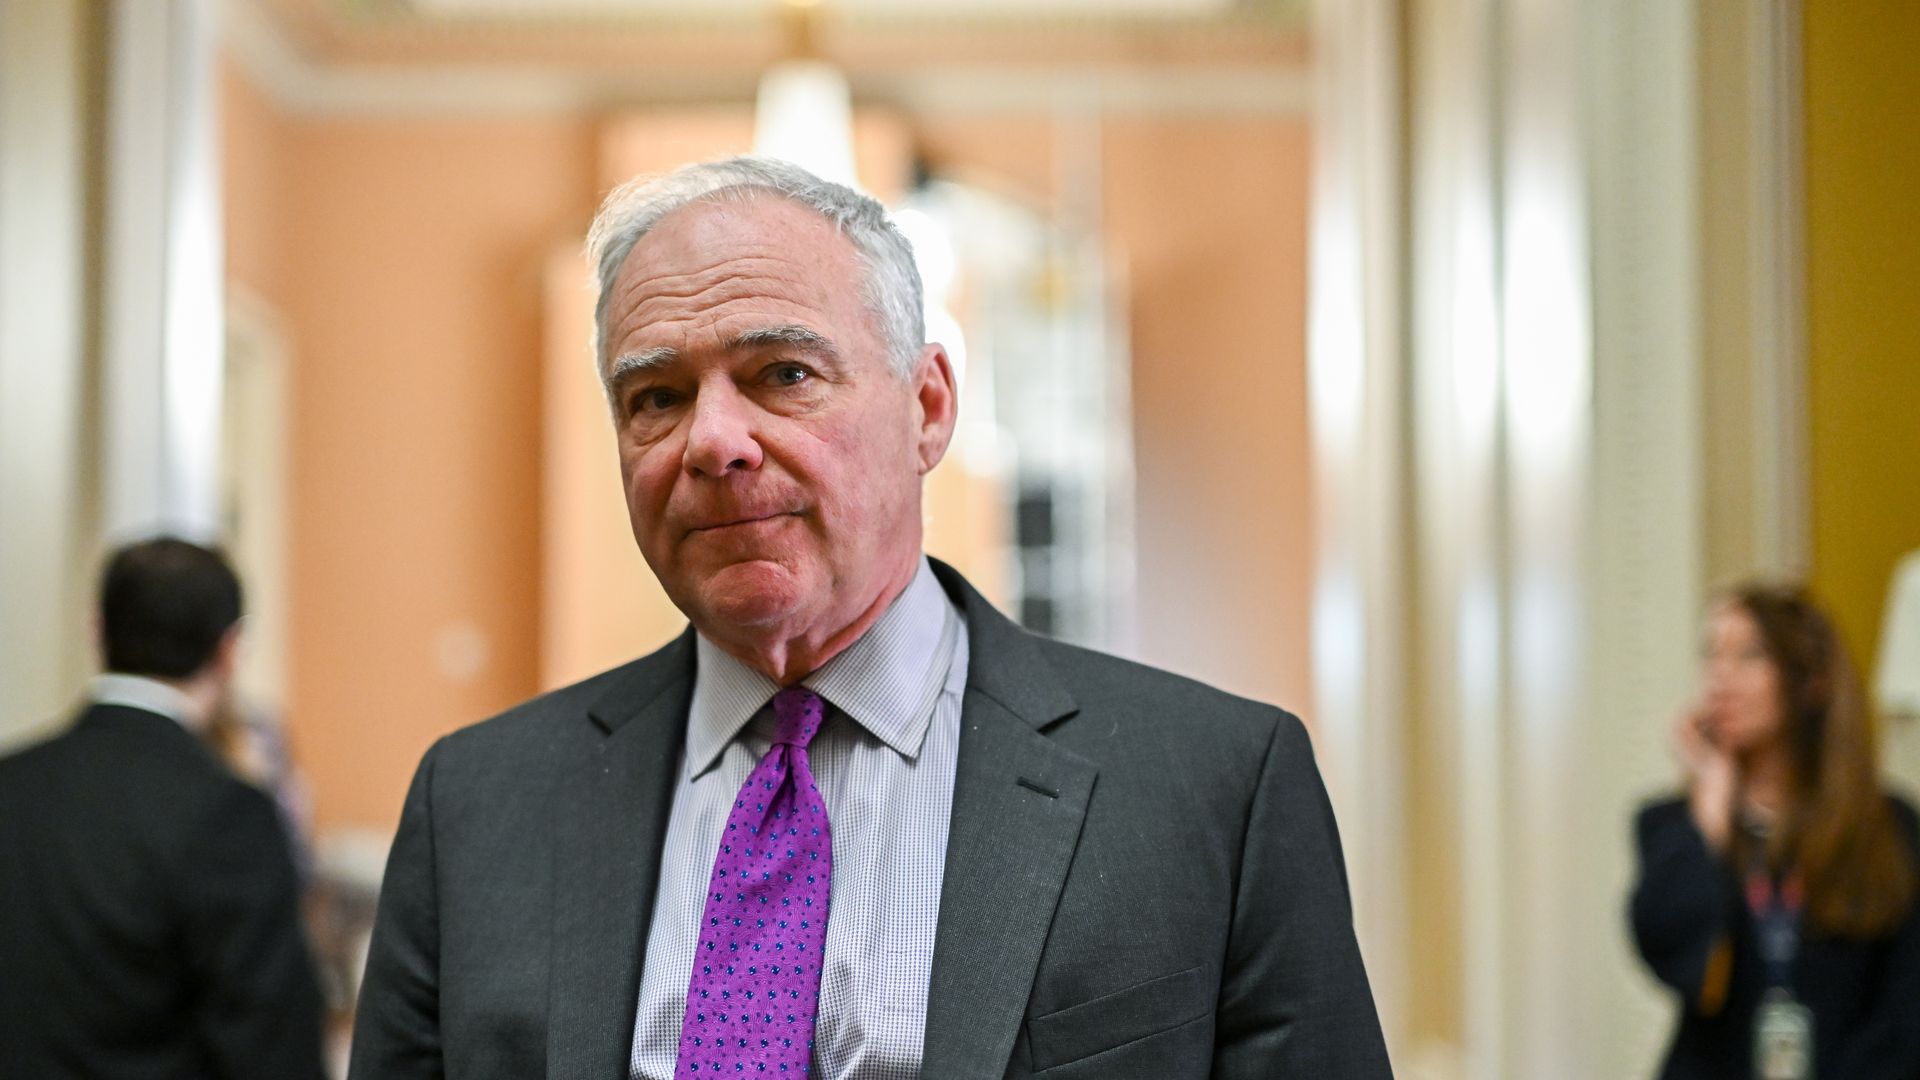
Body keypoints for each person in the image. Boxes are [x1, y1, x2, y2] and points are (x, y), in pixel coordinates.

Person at [349, 156, 1389, 1079]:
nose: (714, 442)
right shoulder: (477, 806)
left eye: (783, 374)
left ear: (928, 407)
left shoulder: (1211, 787)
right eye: (656, 397)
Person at [0, 537, 327, 1080]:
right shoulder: (229, 815)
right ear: (229, 650)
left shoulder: (11, 785)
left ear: (95, 628)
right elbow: (272, 1043)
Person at [1630, 584, 1920, 1079]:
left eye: (1749, 655)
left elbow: (1905, 1010)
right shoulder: (1675, 824)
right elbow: (1674, 959)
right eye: (1711, 654)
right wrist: (1712, 807)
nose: (1720, 677)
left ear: (1809, 680)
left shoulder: (1887, 826)